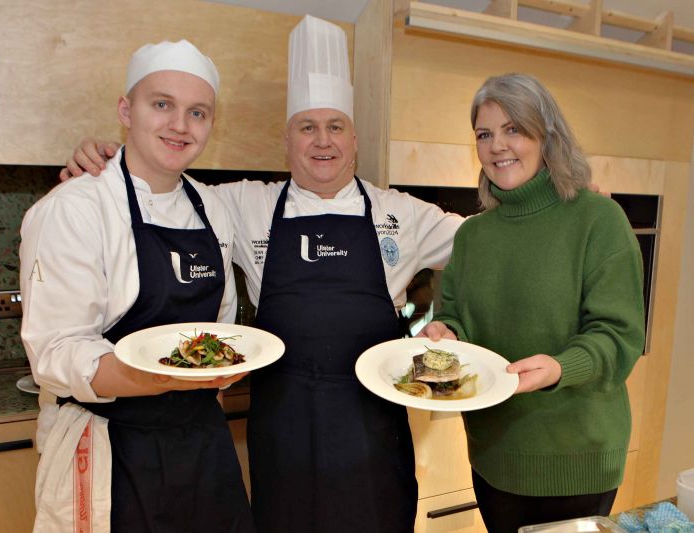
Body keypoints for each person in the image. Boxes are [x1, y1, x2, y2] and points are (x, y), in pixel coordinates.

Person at [59, 15, 464, 532]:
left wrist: (453, 319)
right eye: (307, 127)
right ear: (287, 139)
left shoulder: (401, 213)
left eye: (335, 126)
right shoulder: (241, 203)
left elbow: (484, 247)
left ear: (355, 138)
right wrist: (106, 160)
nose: (323, 141)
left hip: (372, 422)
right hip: (282, 422)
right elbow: (159, 187)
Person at [19, 40, 254, 532]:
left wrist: (215, 370)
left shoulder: (212, 208)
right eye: (162, 104)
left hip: (202, 438)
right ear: (126, 110)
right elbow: (56, 352)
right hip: (112, 443)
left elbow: (223, 327)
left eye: (198, 112)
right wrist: (162, 376)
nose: (180, 126)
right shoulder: (75, 207)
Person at [422, 73, 645, 532]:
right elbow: (457, 318)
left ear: (547, 136)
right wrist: (446, 335)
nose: (498, 146)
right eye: (485, 134)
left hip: (576, 455)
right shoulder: (472, 235)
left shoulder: (598, 219)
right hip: (494, 453)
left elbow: (619, 336)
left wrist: (562, 367)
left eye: (515, 129)